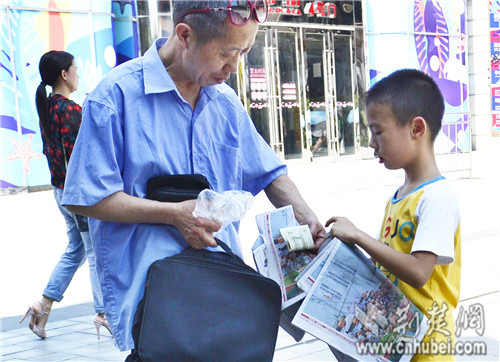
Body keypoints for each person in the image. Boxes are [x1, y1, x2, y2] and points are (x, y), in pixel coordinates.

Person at [61, 0, 326, 355]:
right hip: (153, 297)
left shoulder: (225, 103)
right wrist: (172, 214)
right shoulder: (116, 96)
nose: (233, 67)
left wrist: (307, 217)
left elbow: (268, 172)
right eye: (226, 54)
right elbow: (86, 197)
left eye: (243, 52)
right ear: (184, 35)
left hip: (221, 288)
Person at [326, 69, 461, 361]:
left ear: (416, 129)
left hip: (427, 348)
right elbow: (383, 261)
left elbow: (418, 272)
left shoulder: (436, 198)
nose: (372, 142)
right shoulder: (398, 197)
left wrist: (359, 236)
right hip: (395, 339)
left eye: (378, 131)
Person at [20, 51, 111, 340]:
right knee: (95, 251)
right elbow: (78, 158)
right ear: (64, 74)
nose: (78, 74)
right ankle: (103, 312)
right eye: (75, 68)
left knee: (77, 250)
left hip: (60, 191)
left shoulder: (48, 107)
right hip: (76, 194)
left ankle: (42, 307)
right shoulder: (70, 111)